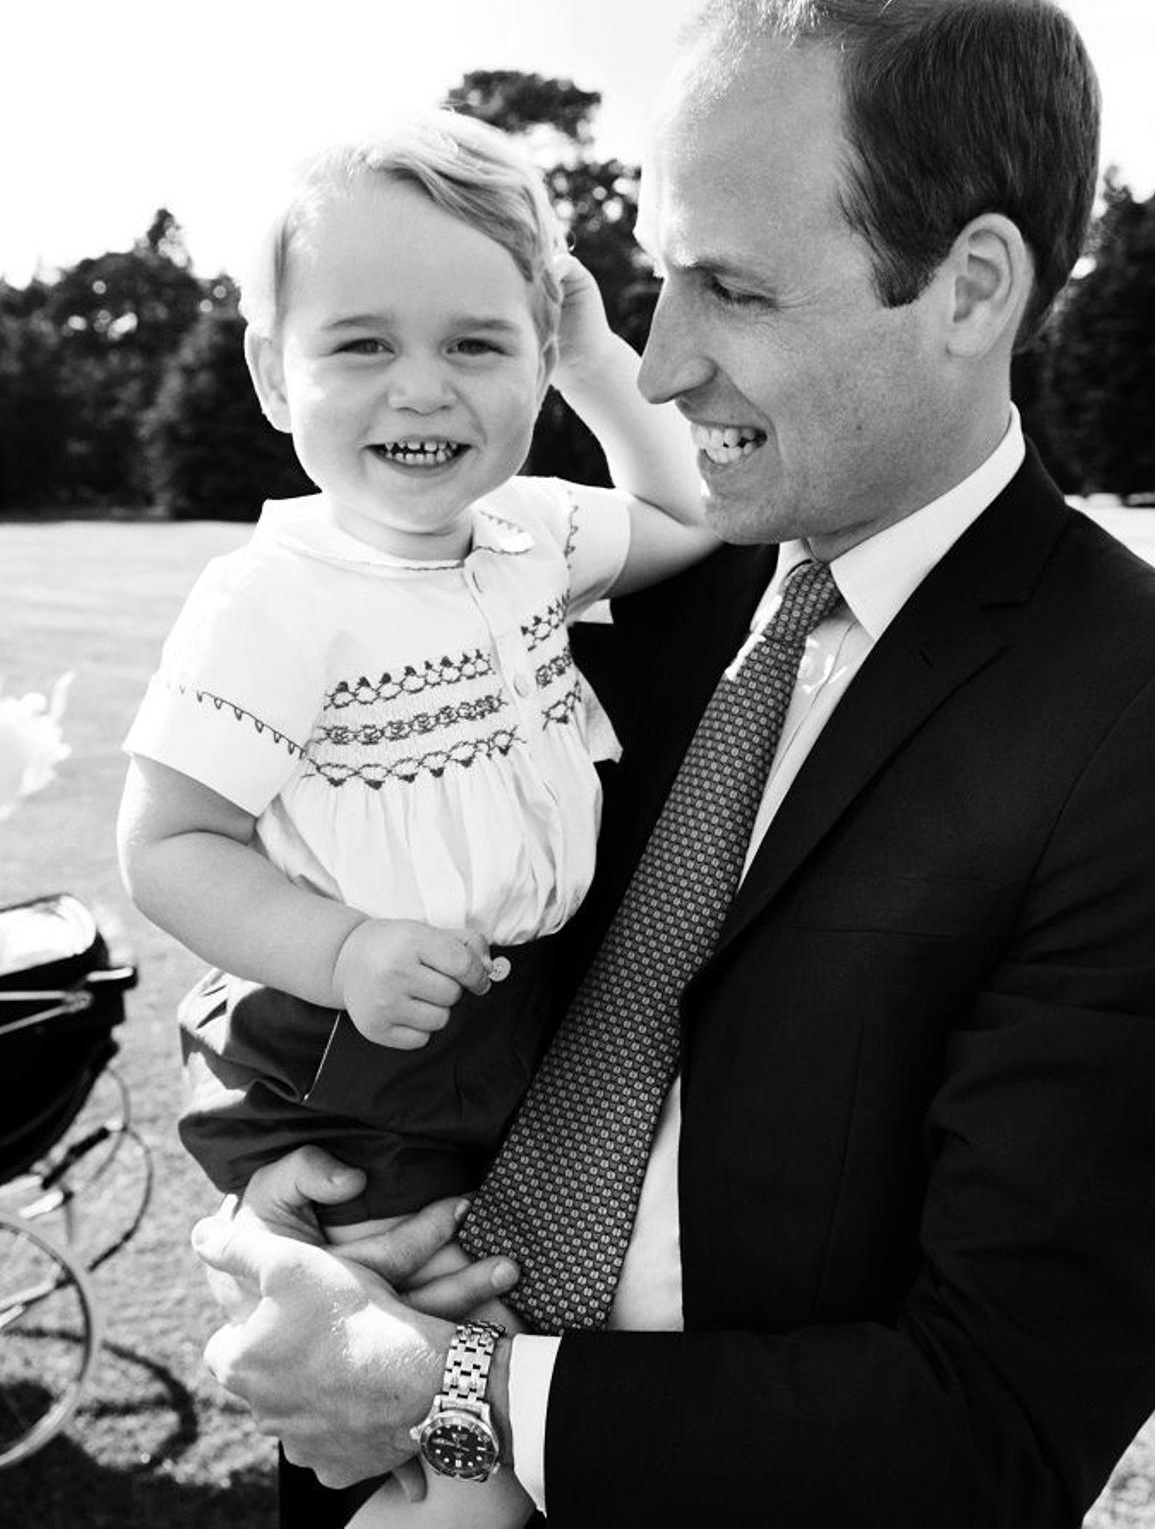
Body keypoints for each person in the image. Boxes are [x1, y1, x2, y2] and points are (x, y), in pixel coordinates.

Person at [192, 0, 1155, 1525]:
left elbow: (990, 1428)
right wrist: (295, 1206)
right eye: (657, 282)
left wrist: (444, 1387)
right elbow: (322, 874)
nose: (654, 365)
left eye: (732, 288)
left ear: (970, 287)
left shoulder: (1154, 718)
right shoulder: (594, 586)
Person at [116, 110, 716, 1528]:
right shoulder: (276, 597)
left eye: (478, 343)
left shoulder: (532, 536)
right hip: (350, 1048)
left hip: (510, 1009)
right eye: (362, 343)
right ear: (275, 372)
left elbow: (688, 504)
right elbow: (168, 841)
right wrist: (341, 946)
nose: (422, 389)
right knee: (424, 1369)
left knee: (507, 1321)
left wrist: (595, 358)